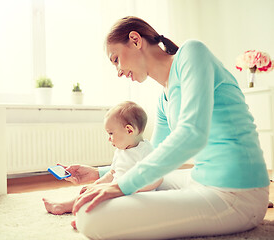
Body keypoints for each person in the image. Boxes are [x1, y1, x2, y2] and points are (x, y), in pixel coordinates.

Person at [62, 16, 270, 239]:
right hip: (200, 180)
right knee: (133, 186)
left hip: (237, 194)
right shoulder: (164, 98)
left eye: (116, 60)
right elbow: (149, 158)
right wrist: (99, 173)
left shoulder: (192, 53)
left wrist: (119, 187)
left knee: (90, 216)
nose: (119, 71)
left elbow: (193, 134)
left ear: (135, 40)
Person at [43, 101, 162, 218]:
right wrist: (97, 185)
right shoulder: (121, 151)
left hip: (137, 198)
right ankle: (69, 207)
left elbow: (157, 179)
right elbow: (112, 173)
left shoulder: (145, 151)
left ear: (129, 130)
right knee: (92, 194)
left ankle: (80, 214)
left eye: (111, 133)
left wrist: (129, 187)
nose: (109, 139)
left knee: (104, 204)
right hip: (117, 192)